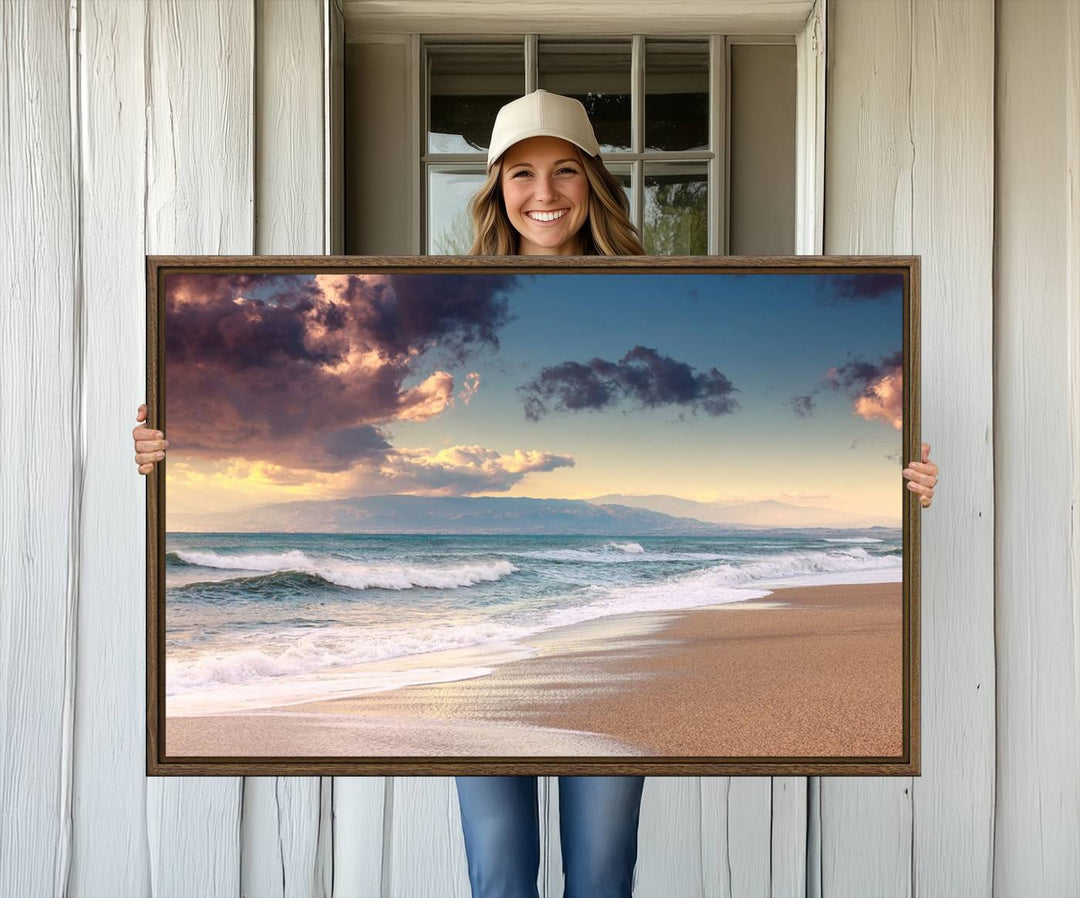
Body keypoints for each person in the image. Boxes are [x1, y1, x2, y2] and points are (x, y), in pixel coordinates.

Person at [131, 90, 940, 897]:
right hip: (473, 637)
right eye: (521, 173)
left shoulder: (656, 293)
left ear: (593, 182)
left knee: (600, 874)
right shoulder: (438, 299)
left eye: (564, 171)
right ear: (495, 189)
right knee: (500, 876)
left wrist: (900, 481)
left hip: (580, 622)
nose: (544, 193)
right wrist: (173, 443)